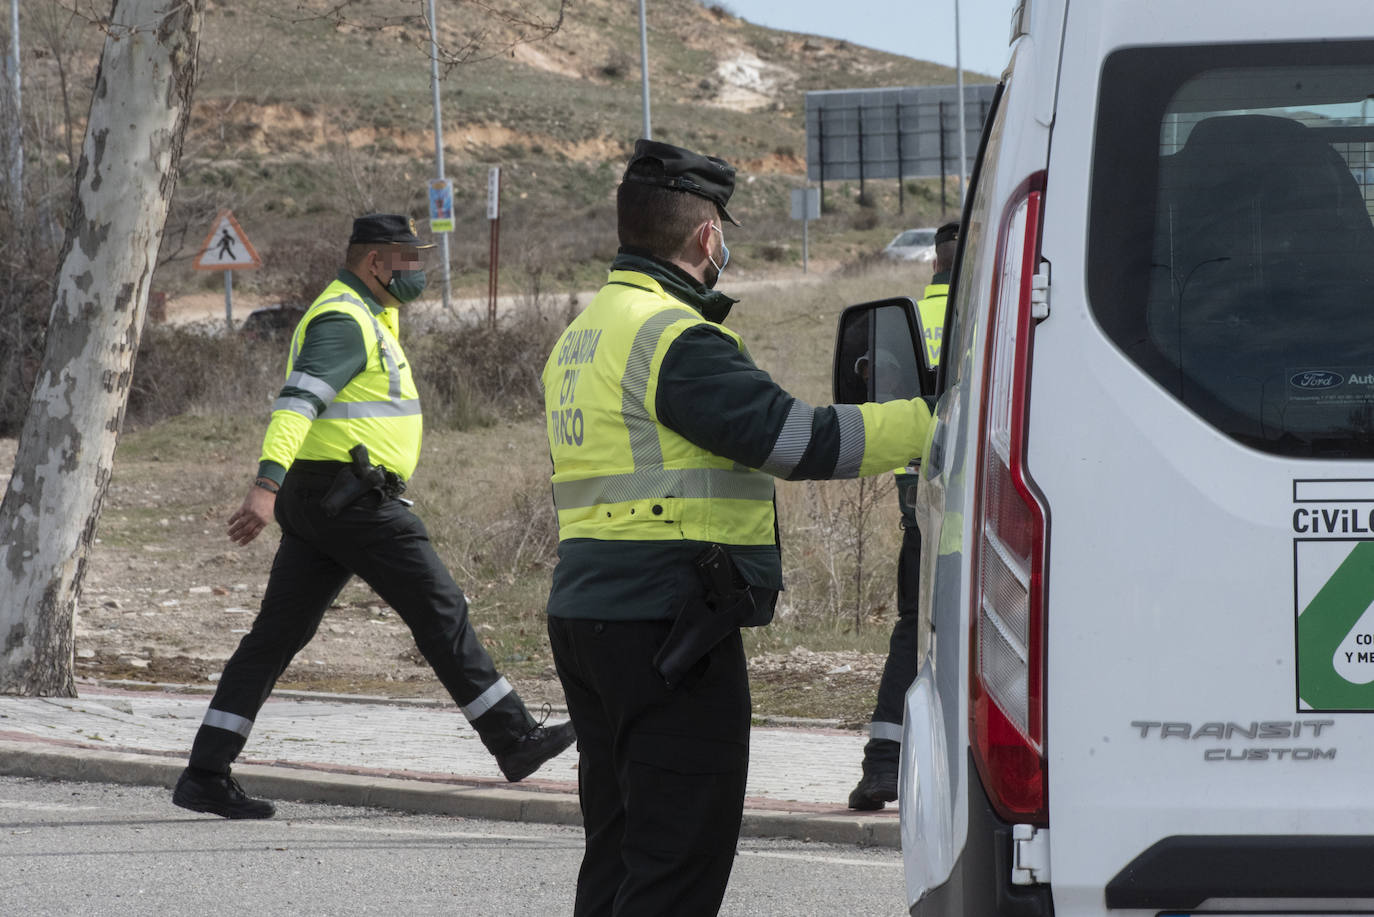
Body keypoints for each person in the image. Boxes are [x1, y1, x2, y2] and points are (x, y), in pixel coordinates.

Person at [540, 140, 935, 916]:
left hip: (591, 616)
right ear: (705, 236)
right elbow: (797, 440)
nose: (727, 240)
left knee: (620, 849)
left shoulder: (584, 333)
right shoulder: (674, 338)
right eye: (724, 225)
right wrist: (933, 420)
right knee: (677, 860)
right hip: (667, 629)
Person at [173, 214, 575, 820]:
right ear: (374, 264)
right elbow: (297, 403)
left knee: (277, 635)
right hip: (354, 499)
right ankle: (515, 739)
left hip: (328, 499)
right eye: (408, 261)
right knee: (440, 610)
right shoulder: (344, 318)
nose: (418, 271)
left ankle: (205, 770)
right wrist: (264, 485)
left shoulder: (373, 313)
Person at [847, 219, 957, 811]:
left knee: (914, 629)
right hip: (995, 507)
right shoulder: (1000, 314)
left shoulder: (905, 324)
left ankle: (883, 765)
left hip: (921, 505)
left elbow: (879, 413)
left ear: (933, 265)